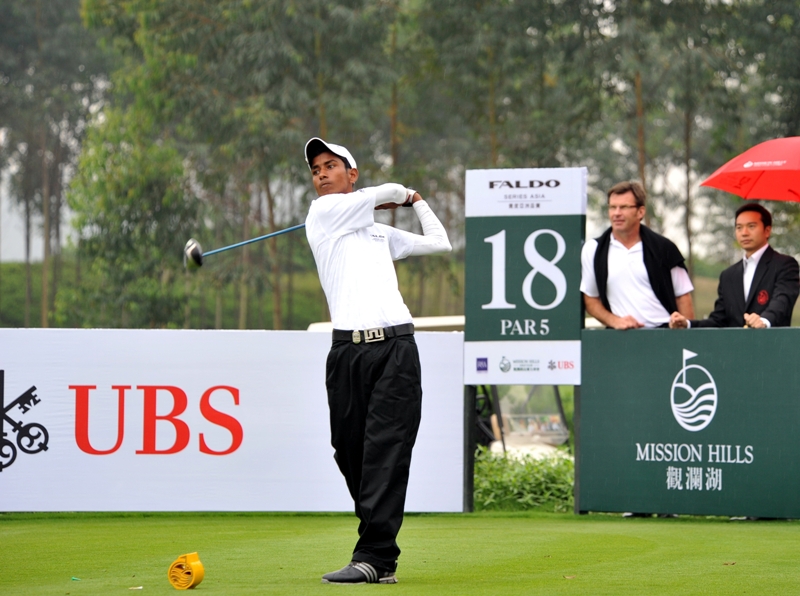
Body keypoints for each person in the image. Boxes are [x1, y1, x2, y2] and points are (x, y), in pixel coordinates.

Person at [303, 137, 452, 584]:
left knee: (385, 450)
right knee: (350, 453)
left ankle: (374, 556)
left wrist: (418, 202)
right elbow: (386, 190)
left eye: (332, 166)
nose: (322, 174)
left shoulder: (377, 232)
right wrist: (400, 194)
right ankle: (377, 546)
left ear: (352, 173)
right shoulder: (322, 215)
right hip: (346, 350)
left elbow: (440, 243)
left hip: (395, 349)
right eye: (315, 170)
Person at [581, 180, 694, 329]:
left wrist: (689, 337)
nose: (617, 213)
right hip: (621, 338)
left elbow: (682, 296)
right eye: (613, 207)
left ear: (640, 212)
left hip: (665, 335)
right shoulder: (593, 249)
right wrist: (615, 321)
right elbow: (590, 299)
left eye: (624, 207)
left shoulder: (664, 248)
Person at [670, 203, 799, 329]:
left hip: (773, 346)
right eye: (739, 227)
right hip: (735, 349)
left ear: (767, 230)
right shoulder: (728, 275)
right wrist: (688, 324)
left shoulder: (785, 265)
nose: (744, 232)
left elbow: (782, 301)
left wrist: (764, 320)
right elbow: (718, 320)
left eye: (751, 226)